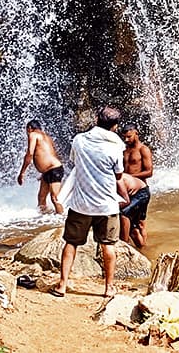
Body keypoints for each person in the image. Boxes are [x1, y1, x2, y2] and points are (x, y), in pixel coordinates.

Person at [53, 106, 127, 298]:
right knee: (108, 246)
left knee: (71, 243)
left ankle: (62, 285)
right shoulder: (116, 147)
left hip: (81, 203)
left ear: (96, 119)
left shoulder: (79, 140)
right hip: (106, 204)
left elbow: (75, 162)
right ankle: (109, 288)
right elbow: (118, 174)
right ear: (115, 126)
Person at [17, 120, 65, 215]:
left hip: (54, 169)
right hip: (48, 171)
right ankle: (44, 219)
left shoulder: (33, 134)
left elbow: (29, 154)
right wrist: (43, 171)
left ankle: (62, 220)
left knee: (54, 198)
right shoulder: (47, 137)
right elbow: (53, 154)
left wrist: (22, 173)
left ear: (30, 128)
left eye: (27, 130)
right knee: (41, 198)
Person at [119, 124, 154, 248]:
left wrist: (130, 177)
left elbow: (149, 172)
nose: (126, 140)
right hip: (127, 189)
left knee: (140, 223)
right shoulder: (123, 151)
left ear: (136, 133)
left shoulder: (143, 149)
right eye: (124, 137)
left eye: (129, 137)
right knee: (131, 226)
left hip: (140, 189)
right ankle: (141, 250)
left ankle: (142, 248)